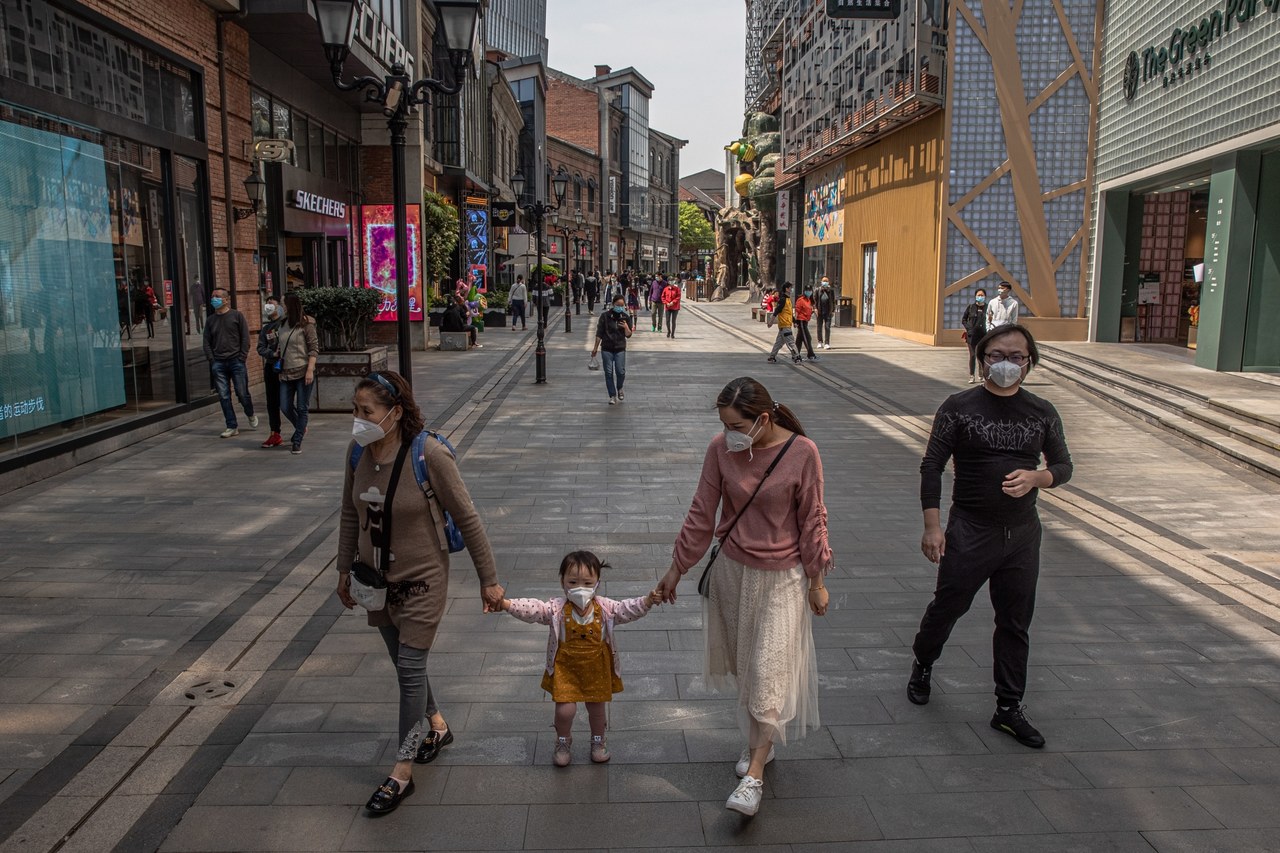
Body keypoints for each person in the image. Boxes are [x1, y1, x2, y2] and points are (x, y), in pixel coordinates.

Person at [656, 377, 832, 817]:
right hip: (732, 575)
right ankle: (760, 743)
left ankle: (753, 775)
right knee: (747, 669)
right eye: (724, 424)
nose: (728, 432)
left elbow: (813, 519)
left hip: (783, 580)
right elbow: (702, 512)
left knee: (768, 670)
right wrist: (676, 569)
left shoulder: (802, 454)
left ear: (764, 419)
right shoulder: (721, 449)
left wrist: (816, 580)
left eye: (736, 424)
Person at [337, 370, 505, 815]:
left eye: (366, 411)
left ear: (394, 412)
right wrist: (342, 571)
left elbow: (468, 519)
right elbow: (349, 516)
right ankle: (437, 726)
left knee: (410, 666)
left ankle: (402, 769)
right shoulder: (357, 454)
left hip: (423, 580)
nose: (358, 419)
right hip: (375, 583)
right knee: (403, 663)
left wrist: (489, 579)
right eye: (355, 409)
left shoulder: (427, 454)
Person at [908, 324, 1073, 750]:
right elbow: (932, 465)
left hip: (1022, 534)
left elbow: (1063, 466)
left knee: (1015, 622)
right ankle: (924, 661)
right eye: (997, 355)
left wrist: (1039, 476)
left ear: (1029, 361)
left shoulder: (1041, 411)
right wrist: (932, 526)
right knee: (949, 605)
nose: (1007, 364)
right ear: (982, 359)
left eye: (1017, 356)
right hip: (970, 529)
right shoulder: (959, 406)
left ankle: (1008, 706)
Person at [499, 551, 663, 766]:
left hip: (597, 667)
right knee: (565, 711)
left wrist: (648, 601)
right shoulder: (556, 609)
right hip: (566, 668)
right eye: (573, 581)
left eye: (587, 582)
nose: (580, 588)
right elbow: (534, 609)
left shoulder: (606, 608)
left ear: (597, 583)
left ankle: (598, 741)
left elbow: (627, 609)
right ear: (562, 582)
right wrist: (507, 604)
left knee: (596, 709)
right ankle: (563, 741)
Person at [202, 288, 256, 438]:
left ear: (226, 299)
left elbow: (245, 338)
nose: (214, 299)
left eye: (217, 297)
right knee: (224, 396)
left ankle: (250, 413)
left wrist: (242, 357)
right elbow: (206, 341)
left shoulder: (237, 316)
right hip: (218, 362)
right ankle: (231, 425)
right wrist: (212, 359)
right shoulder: (210, 320)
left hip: (236, 361)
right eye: (213, 296)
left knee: (242, 393)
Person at [276, 292, 319, 455]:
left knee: (302, 407)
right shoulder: (282, 323)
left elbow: (314, 348)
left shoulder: (306, 323)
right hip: (286, 372)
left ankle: (297, 439)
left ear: (290, 305)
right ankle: (301, 426)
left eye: (282, 303)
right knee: (285, 406)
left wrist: (310, 370)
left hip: (303, 371)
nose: (281, 306)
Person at [591, 294, 634, 405]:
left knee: (620, 371)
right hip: (607, 348)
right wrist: (595, 348)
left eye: (622, 305)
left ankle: (619, 387)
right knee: (608, 373)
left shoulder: (625, 317)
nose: (619, 307)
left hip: (620, 348)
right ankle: (612, 395)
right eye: (617, 305)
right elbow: (599, 333)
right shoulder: (605, 316)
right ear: (613, 304)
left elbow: (629, 335)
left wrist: (625, 327)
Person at [256, 297, 285, 448]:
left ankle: (299, 428)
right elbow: (260, 347)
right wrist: (272, 354)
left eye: (272, 304)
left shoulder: (286, 324)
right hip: (271, 367)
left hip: (287, 368)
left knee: (286, 402)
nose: (269, 307)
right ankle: (275, 432)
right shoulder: (266, 329)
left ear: (280, 307)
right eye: (267, 304)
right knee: (272, 403)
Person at [767, 283, 802, 365]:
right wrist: (771, 321)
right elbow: (777, 311)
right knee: (791, 342)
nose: (792, 289)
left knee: (779, 342)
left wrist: (794, 321)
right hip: (785, 325)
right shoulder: (783, 299)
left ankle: (772, 357)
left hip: (785, 325)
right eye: (791, 288)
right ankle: (797, 357)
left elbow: (789, 313)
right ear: (787, 289)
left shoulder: (788, 299)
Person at [961, 288, 988, 383]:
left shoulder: (988, 307)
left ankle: (981, 374)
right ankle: (971, 375)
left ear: (985, 296)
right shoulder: (971, 307)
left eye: (982, 295)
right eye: (978, 295)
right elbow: (964, 319)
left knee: (981, 355)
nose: (980, 297)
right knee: (973, 355)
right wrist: (969, 328)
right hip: (972, 335)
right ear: (975, 296)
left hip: (983, 335)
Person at [794, 285, 817, 361]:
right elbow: (797, 311)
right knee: (807, 337)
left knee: (799, 339)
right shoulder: (800, 300)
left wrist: (813, 312)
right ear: (804, 291)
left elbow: (809, 309)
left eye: (810, 290)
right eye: (807, 290)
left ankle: (796, 354)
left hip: (806, 321)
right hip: (801, 321)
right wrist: (795, 321)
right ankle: (811, 354)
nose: (809, 291)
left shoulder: (809, 300)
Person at [814, 277, 835, 350]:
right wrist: (815, 308)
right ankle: (820, 342)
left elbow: (833, 301)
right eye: (824, 281)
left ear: (828, 282)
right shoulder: (818, 290)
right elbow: (815, 300)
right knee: (819, 327)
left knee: (827, 327)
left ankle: (827, 343)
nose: (825, 282)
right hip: (819, 311)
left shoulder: (831, 290)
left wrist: (833, 311)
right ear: (821, 282)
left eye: (826, 281)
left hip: (828, 311)